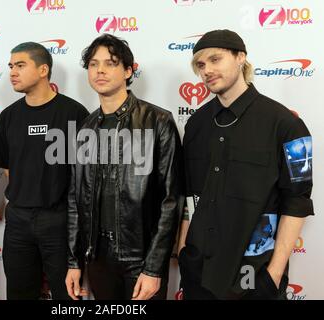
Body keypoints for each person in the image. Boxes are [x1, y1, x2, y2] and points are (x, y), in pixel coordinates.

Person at [179, 29, 314, 299]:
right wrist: (184, 250)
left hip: (254, 273)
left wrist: (274, 274)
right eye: (201, 65)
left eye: (215, 60)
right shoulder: (196, 125)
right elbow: (189, 196)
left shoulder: (286, 125)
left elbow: (297, 202)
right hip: (198, 271)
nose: (207, 71)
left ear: (240, 57)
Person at [65, 34, 184, 300]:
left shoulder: (158, 121)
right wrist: (74, 261)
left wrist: (154, 268)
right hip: (97, 257)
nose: (100, 70)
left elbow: (170, 200)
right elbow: (75, 198)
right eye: (94, 64)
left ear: (128, 70)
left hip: (139, 258)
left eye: (110, 63)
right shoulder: (86, 127)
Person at [0, 42, 89, 300]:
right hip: (18, 221)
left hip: (60, 221)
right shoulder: (8, 117)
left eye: (20, 65)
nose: (12, 71)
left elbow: (87, 175)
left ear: (44, 69)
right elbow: (9, 169)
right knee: (19, 292)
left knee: (67, 296)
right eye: (11, 66)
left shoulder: (75, 113)